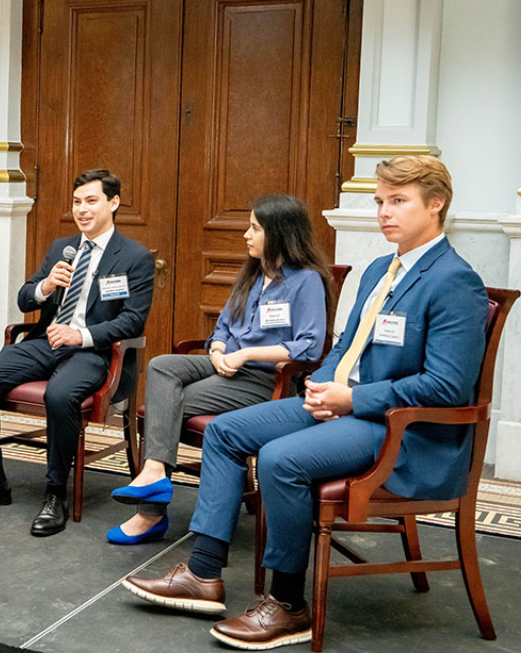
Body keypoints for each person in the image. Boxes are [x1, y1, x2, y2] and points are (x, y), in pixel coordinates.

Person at [122, 155, 488, 651]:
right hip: (344, 404)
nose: (384, 212)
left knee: (280, 459)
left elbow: (448, 386)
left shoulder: (454, 281)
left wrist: (353, 397)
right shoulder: (383, 268)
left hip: (401, 428)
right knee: (227, 432)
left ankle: (289, 605)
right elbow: (344, 344)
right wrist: (320, 385)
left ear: (436, 204)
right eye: (380, 201)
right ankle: (203, 575)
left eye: (398, 201)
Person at [107, 194, 333, 545]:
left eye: (255, 228)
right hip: (226, 368)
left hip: (266, 380)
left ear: (280, 234)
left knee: (165, 405)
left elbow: (310, 346)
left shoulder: (306, 281)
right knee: (161, 365)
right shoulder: (253, 275)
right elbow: (224, 327)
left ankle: (149, 513)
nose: (246, 234)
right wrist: (217, 350)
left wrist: (245, 356)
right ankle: (154, 475)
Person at [0, 169, 155, 536]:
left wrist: (81, 335)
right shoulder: (62, 247)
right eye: (77, 202)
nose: (82, 210)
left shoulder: (134, 257)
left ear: (113, 203)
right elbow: (24, 297)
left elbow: (132, 323)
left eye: (91, 201)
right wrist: (44, 286)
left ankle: (55, 491)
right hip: (46, 341)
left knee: (60, 395)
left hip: (94, 351)